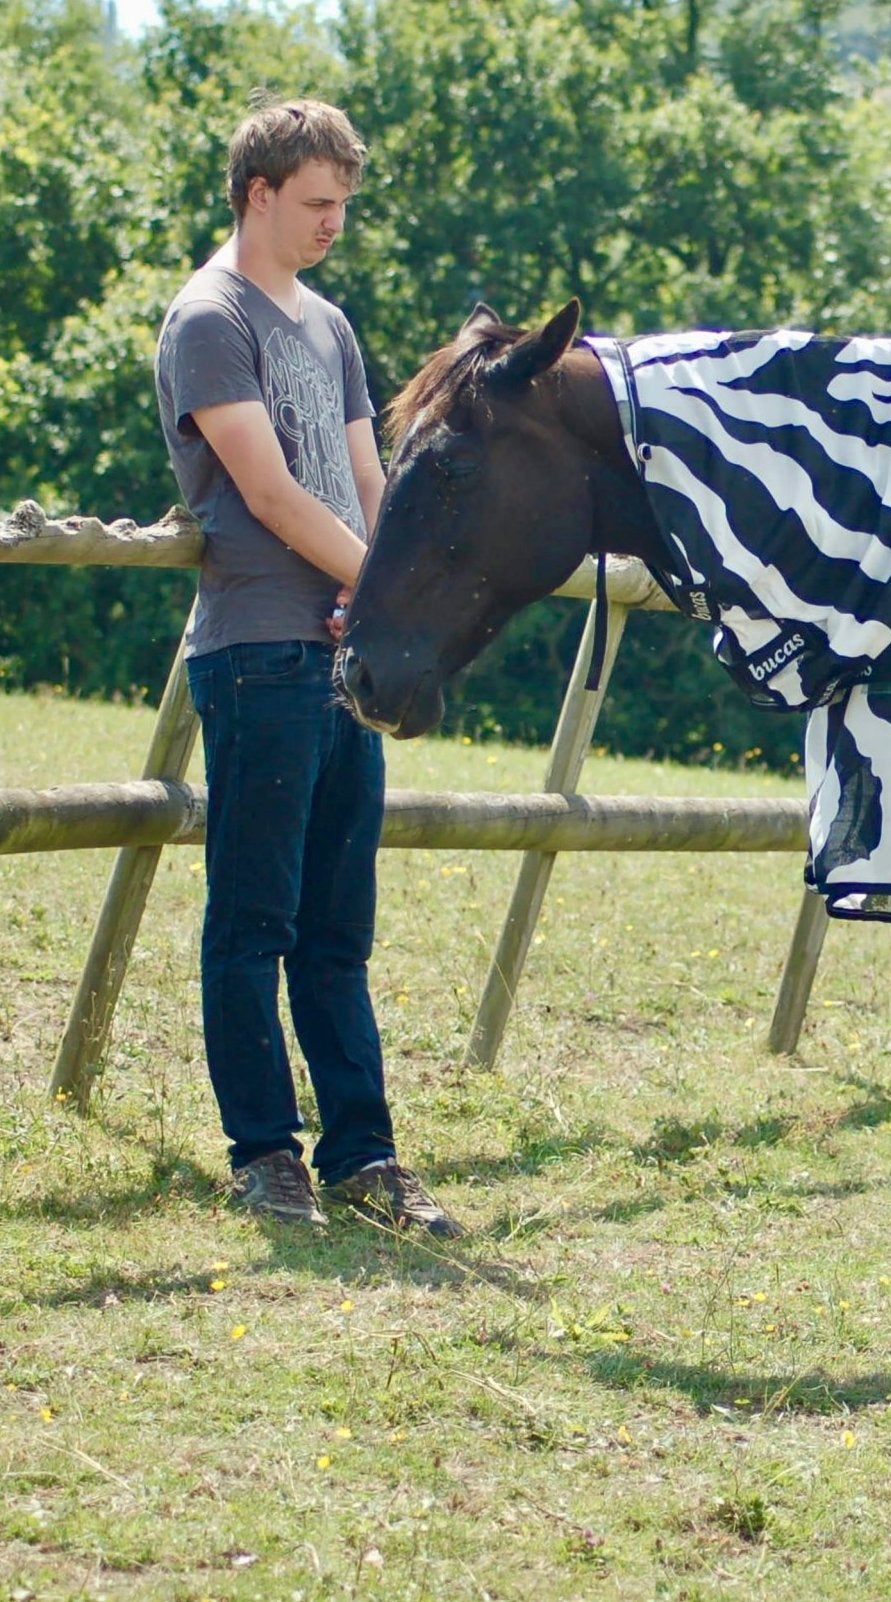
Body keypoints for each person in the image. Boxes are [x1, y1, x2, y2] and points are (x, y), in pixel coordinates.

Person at [153, 97, 462, 1238]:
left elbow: (364, 480)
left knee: (338, 927)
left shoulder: (328, 327)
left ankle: (365, 1157)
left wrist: (385, 598)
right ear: (259, 194)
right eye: (319, 204)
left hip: (339, 659)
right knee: (255, 918)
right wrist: (372, 593)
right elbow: (270, 491)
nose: (336, 222)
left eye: (345, 204)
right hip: (258, 652)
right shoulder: (207, 318)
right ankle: (265, 1154)